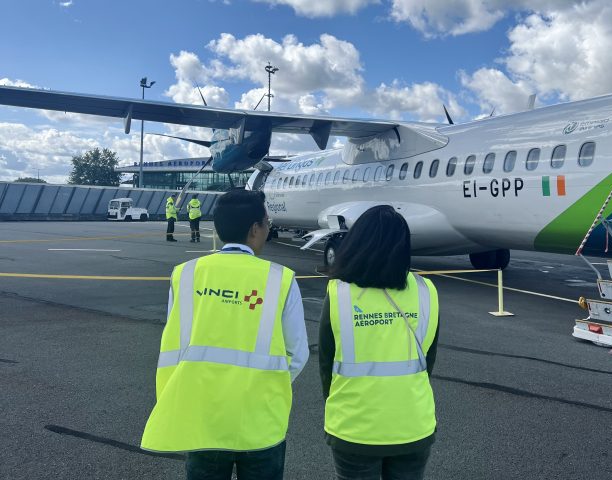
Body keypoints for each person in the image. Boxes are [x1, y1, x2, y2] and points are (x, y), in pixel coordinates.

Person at [141, 189, 309, 480]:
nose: (268, 230)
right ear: (255, 229)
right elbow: (297, 354)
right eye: (267, 223)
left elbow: (178, 338)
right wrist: (268, 383)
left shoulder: (185, 273)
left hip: (203, 414)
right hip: (260, 416)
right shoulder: (280, 278)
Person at [318, 205, 440, 480]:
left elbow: (326, 362)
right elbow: (427, 361)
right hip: (413, 424)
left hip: (354, 427)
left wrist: (337, 406)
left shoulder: (340, 294)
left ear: (357, 243)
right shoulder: (426, 291)